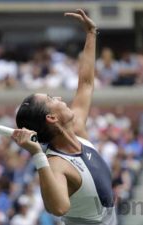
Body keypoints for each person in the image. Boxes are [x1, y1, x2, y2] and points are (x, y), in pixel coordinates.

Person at [12, 9, 117, 225]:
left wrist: (91, 33)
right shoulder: (56, 164)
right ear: (51, 118)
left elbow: (86, 83)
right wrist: (37, 155)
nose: (59, 97)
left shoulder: (77, 129)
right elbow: (58, 207)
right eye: (52, 98)